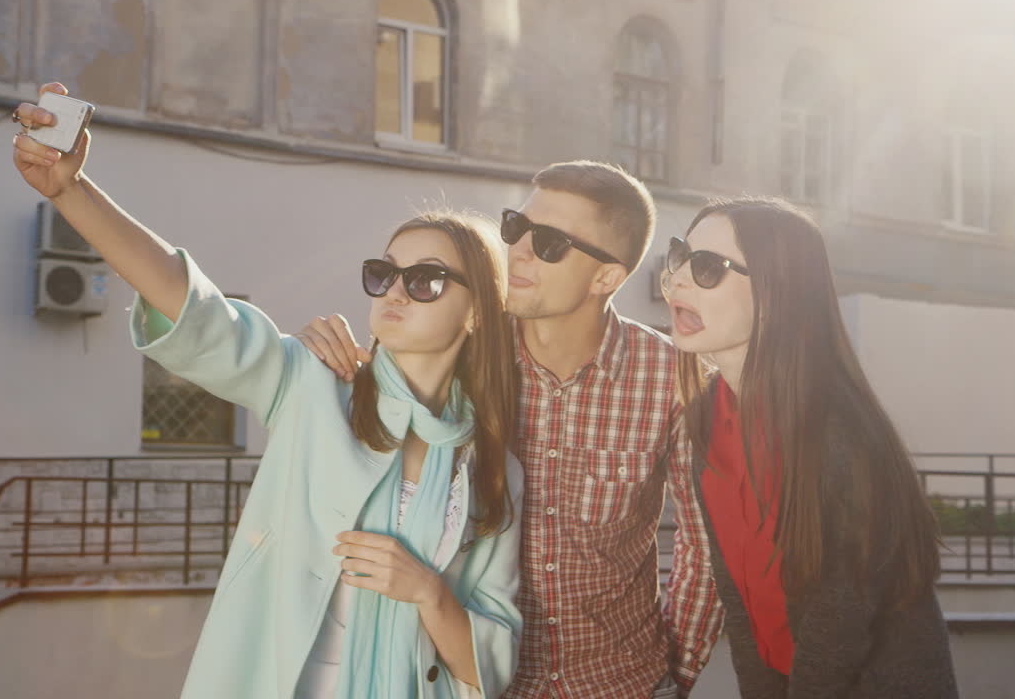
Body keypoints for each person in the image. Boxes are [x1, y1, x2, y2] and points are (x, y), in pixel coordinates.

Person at [9, 83, 524, 699]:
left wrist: (428, 591)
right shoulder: (316, 384)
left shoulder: (493, 469)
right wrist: (71, 191)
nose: (393, 292)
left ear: (478, 314)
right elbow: (193, 307)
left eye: (427, 281)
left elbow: (490, 665)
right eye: (385, 273)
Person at [296, 161, 723, 698]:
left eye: (547, 243)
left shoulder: (673, 379)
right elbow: (381, 396)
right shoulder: (463, 349)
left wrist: (674, 679)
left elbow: (705, 547)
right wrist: (320, 353)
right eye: (516, 228)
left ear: (606, 277)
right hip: (473, 683)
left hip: (620, 683)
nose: (518, 250)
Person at [662, 195, 959, 698]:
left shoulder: (836, 429)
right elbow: (739, 601)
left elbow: (838, 624)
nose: (678, 280)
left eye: (708, 267)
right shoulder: (706, 419)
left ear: (778, 292)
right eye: (680, 257)